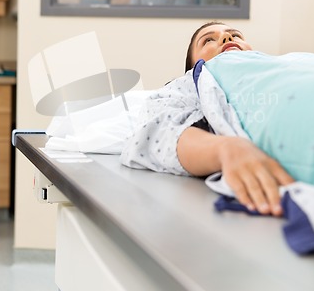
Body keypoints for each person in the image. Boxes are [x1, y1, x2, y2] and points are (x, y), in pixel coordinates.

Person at [121, 21, 303, 217]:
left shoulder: (286, 65)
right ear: (192, 66)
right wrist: (226, 149)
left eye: (236, 35)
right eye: (208, 40)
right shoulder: (192, 83)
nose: (228, 38)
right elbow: (158, 131)